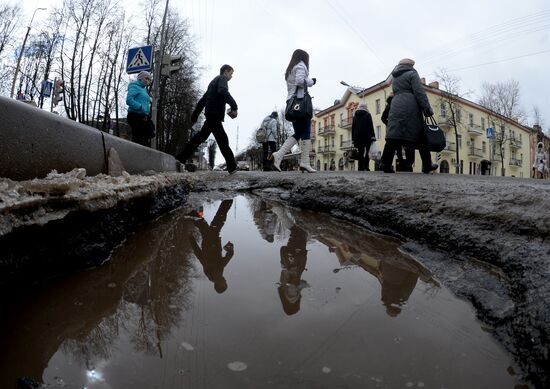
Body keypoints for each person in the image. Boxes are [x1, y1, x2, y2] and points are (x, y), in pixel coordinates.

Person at [177, 65, 238, 174]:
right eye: (230, 73)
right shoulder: (221, 79)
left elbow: (203, 100)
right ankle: (232, 166)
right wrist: (234, 106)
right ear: (225, 72)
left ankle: (181, 157)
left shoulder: (213, 82)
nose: (231, 76)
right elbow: (223, 92)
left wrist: (195, 115)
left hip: (211, 114)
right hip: (214, 115)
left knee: (200, 137)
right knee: (223, 140)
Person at [380, 58, 438, 174]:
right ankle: (427, 165)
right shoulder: (412, 74)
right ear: (411, 65)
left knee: (393, 135)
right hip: (410, 106)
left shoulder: (395, 77)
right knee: (421, 136)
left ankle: (385, 163)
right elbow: (419, 92)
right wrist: (427, 108)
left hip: (396, 105)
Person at [271, 49, 317, 173]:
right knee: (306, 130)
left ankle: (279, 155)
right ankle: (305, 162)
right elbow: (300, 81)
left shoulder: (290, 69)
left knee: (297, 133)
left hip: (292, 103)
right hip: (301, 102)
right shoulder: (301, 65)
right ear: (303, 57)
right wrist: (311, 81)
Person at [189, 200, 234, 294]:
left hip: (210, 241)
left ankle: (188, 210)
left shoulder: (213, 272)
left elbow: (200, 255)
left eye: (224, 283)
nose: (225, 281)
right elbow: (227, 257)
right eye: (226, 283)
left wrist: (192, 240)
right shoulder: (216, 273)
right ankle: (190, 211)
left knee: (213, 221)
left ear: (218, 284)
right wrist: (230, 250)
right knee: (215, 221)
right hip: (212, 240)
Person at [278, 225, 309, 315]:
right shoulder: (284, 292)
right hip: (289, 261)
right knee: (296, 237)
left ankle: (291, 222)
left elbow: (295, 283)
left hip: (294, 263)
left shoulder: (291, 298)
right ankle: (294, 224)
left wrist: (303, 285)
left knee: (301, 235)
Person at [381, 94, 410, 172]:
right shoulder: (397, 104)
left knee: (389, 146)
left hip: (391, 129)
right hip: (398, 128)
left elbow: (383, 118)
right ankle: (396, 165)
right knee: (397, 147)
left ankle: (385, 164)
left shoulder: (388, 105)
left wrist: (388, 123)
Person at [126, 71, 154, 147]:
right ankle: (134, 154)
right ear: (141, 78)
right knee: (139, 138)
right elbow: (129, 100)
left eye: (149, 79)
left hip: (143, 116)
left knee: (150, 132)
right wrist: (140, 107)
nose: (148, 81)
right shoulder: (134, 86)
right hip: (135, 115)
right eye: (146, 78)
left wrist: (150, 100)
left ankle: (139, 154)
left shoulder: (144, 90)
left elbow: (143, 99)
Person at [351, 103, 376, 171]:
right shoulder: (367, 114)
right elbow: (370, 125)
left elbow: (353, 128)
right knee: (367, 151)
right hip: (367, 136)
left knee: (360, 152)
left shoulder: (354, 116)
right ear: (365, 108)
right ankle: (366, 166)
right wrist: (373, 136)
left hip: (357, 137)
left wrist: (353, 139)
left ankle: (360, 167)